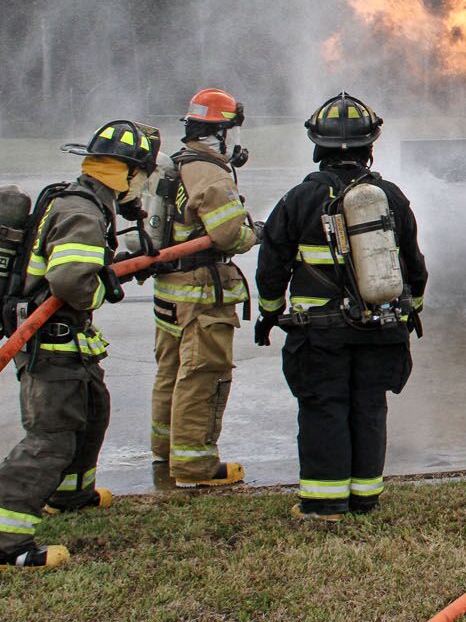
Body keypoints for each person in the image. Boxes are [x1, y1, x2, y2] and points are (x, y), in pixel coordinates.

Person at [253, 93, 427, 520]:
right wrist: (412, 311)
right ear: (371, 147)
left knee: (324, 406)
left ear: (318, 147)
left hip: (319, 332)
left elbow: (271, 263)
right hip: (381, 327)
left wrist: (270, 312)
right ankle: (365, 497)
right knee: (369, 406)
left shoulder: (299, 199)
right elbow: (414, 265)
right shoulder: (390, 197)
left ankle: (325, 503)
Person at [0, 120, 156, 568]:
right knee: (50, 439)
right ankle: (7, 539)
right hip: (51, 344)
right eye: (141, 176)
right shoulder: (84, 211)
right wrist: (106, 284)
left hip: (69, 342)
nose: (142, 187)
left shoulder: (78, 199)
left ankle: (71, 496)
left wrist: (116, 265)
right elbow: (72, 280)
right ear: (126, 173)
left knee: (92, 413)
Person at [151, 88, 259, 487]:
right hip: (201, 295)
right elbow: (230, 234)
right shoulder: (210, 172)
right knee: (203, 375)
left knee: (171, 371)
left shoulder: (174, 165)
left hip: (170, 290)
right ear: (222, 132)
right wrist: (255, 233)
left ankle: (165, 454)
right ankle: (195, 467)